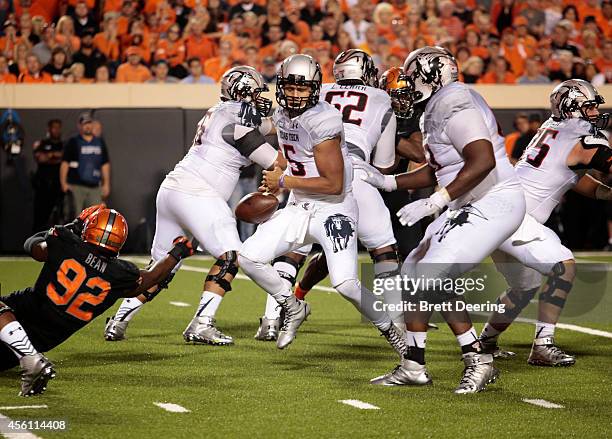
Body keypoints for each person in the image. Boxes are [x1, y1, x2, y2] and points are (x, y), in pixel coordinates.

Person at [357, 47, 525, 393]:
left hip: (492, 200)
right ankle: (414, 366)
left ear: (431, 73)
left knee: (433, 273)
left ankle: (479, 359)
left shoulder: (455, 100)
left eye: (413, 75)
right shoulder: (438, 104)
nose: (409, 82)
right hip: (467, 202)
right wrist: (389, 181)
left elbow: (481, 161)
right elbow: (441, 168)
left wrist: (437, 200)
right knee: (413, 273)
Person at [238, 54, 407, 357]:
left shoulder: (325, 120)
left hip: (334, 208)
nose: (294, 94)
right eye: (289, 87)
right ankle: (293, 306)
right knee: (248, 258)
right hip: (300, 207)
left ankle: (391, 329)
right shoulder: (283, 114)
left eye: (301, 89)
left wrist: (283, 181)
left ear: (317, 88)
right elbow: (285, 145)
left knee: (345, 284)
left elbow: (334, 184)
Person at [104, 66, 284, 346]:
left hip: (173, 189)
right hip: (198, 193)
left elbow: (270, 126)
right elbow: (276, 163)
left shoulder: (222, 112)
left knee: (163, 266)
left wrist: (286, 124)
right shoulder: (237, 120)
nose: (262, 97)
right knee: (230, 256)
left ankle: (119, 319)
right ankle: (202, 323)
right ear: (243, 94)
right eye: (257, 91)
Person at [480, 79, 612, 366]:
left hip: (500, 214)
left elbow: (573, 180)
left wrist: (606, 193)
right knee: (563, 266)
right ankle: (542, 344)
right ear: (571, 107)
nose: (594, 113)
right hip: (515, 217)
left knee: (524, 286)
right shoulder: (581, 139)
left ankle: (485, 343)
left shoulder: (553, 130)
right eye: (589, 107)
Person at [0, 204, 196, 396]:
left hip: (17, 318)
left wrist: (74, 225)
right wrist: (177, 252)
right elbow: (152, 277)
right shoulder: (119, 275)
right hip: (39, 342)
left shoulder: (66, 244)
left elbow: (32, 246)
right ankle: (29, 356)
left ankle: (30, 359)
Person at [60, 112, 111, 212]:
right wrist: (63, 182)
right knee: (76, 215)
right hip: (77, 186)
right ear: (80, 126)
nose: (88, 126)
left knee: (96, 215)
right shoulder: (73, 142)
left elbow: (105, 164)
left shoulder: (99, 142)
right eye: (85, 124)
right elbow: (65, 163)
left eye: (89, 123)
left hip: (95, 186)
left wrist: (106, 184)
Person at [32, 119, 64, 231]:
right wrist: (54, 156)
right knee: (40, 217)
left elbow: (65, 159)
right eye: (54, 127)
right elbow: (40, 158)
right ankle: (36, 245)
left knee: (59, 218)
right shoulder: (42, 143)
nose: (56, 130)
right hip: (43, 186)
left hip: (58, 187)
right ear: (49, 129)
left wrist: (50, 156)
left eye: (58, 127)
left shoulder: (63, 145)